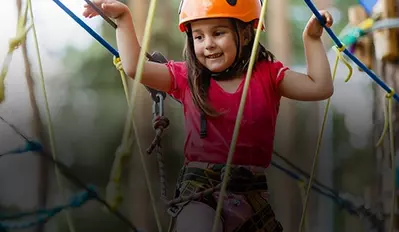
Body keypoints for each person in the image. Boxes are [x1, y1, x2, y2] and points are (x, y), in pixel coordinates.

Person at [83, 0, 334, 231]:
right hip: (200, 188)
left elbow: (319, 87)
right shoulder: (187, 78)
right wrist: (124, 18)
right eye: (199, 36)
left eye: (218, 33)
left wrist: (311, 38)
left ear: (246, 34)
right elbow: (135, 66)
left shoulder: (268, 74)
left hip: (251, 191)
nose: (208, 44)